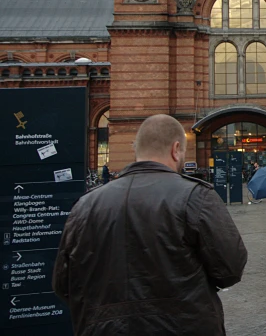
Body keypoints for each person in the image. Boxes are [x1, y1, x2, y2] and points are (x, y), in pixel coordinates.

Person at [53, 115, 247, 335]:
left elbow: (63, 283)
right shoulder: (196, 197)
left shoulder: (84, 206)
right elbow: (231, 269)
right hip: (185, 326)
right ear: (176, 149)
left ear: (136, 149)